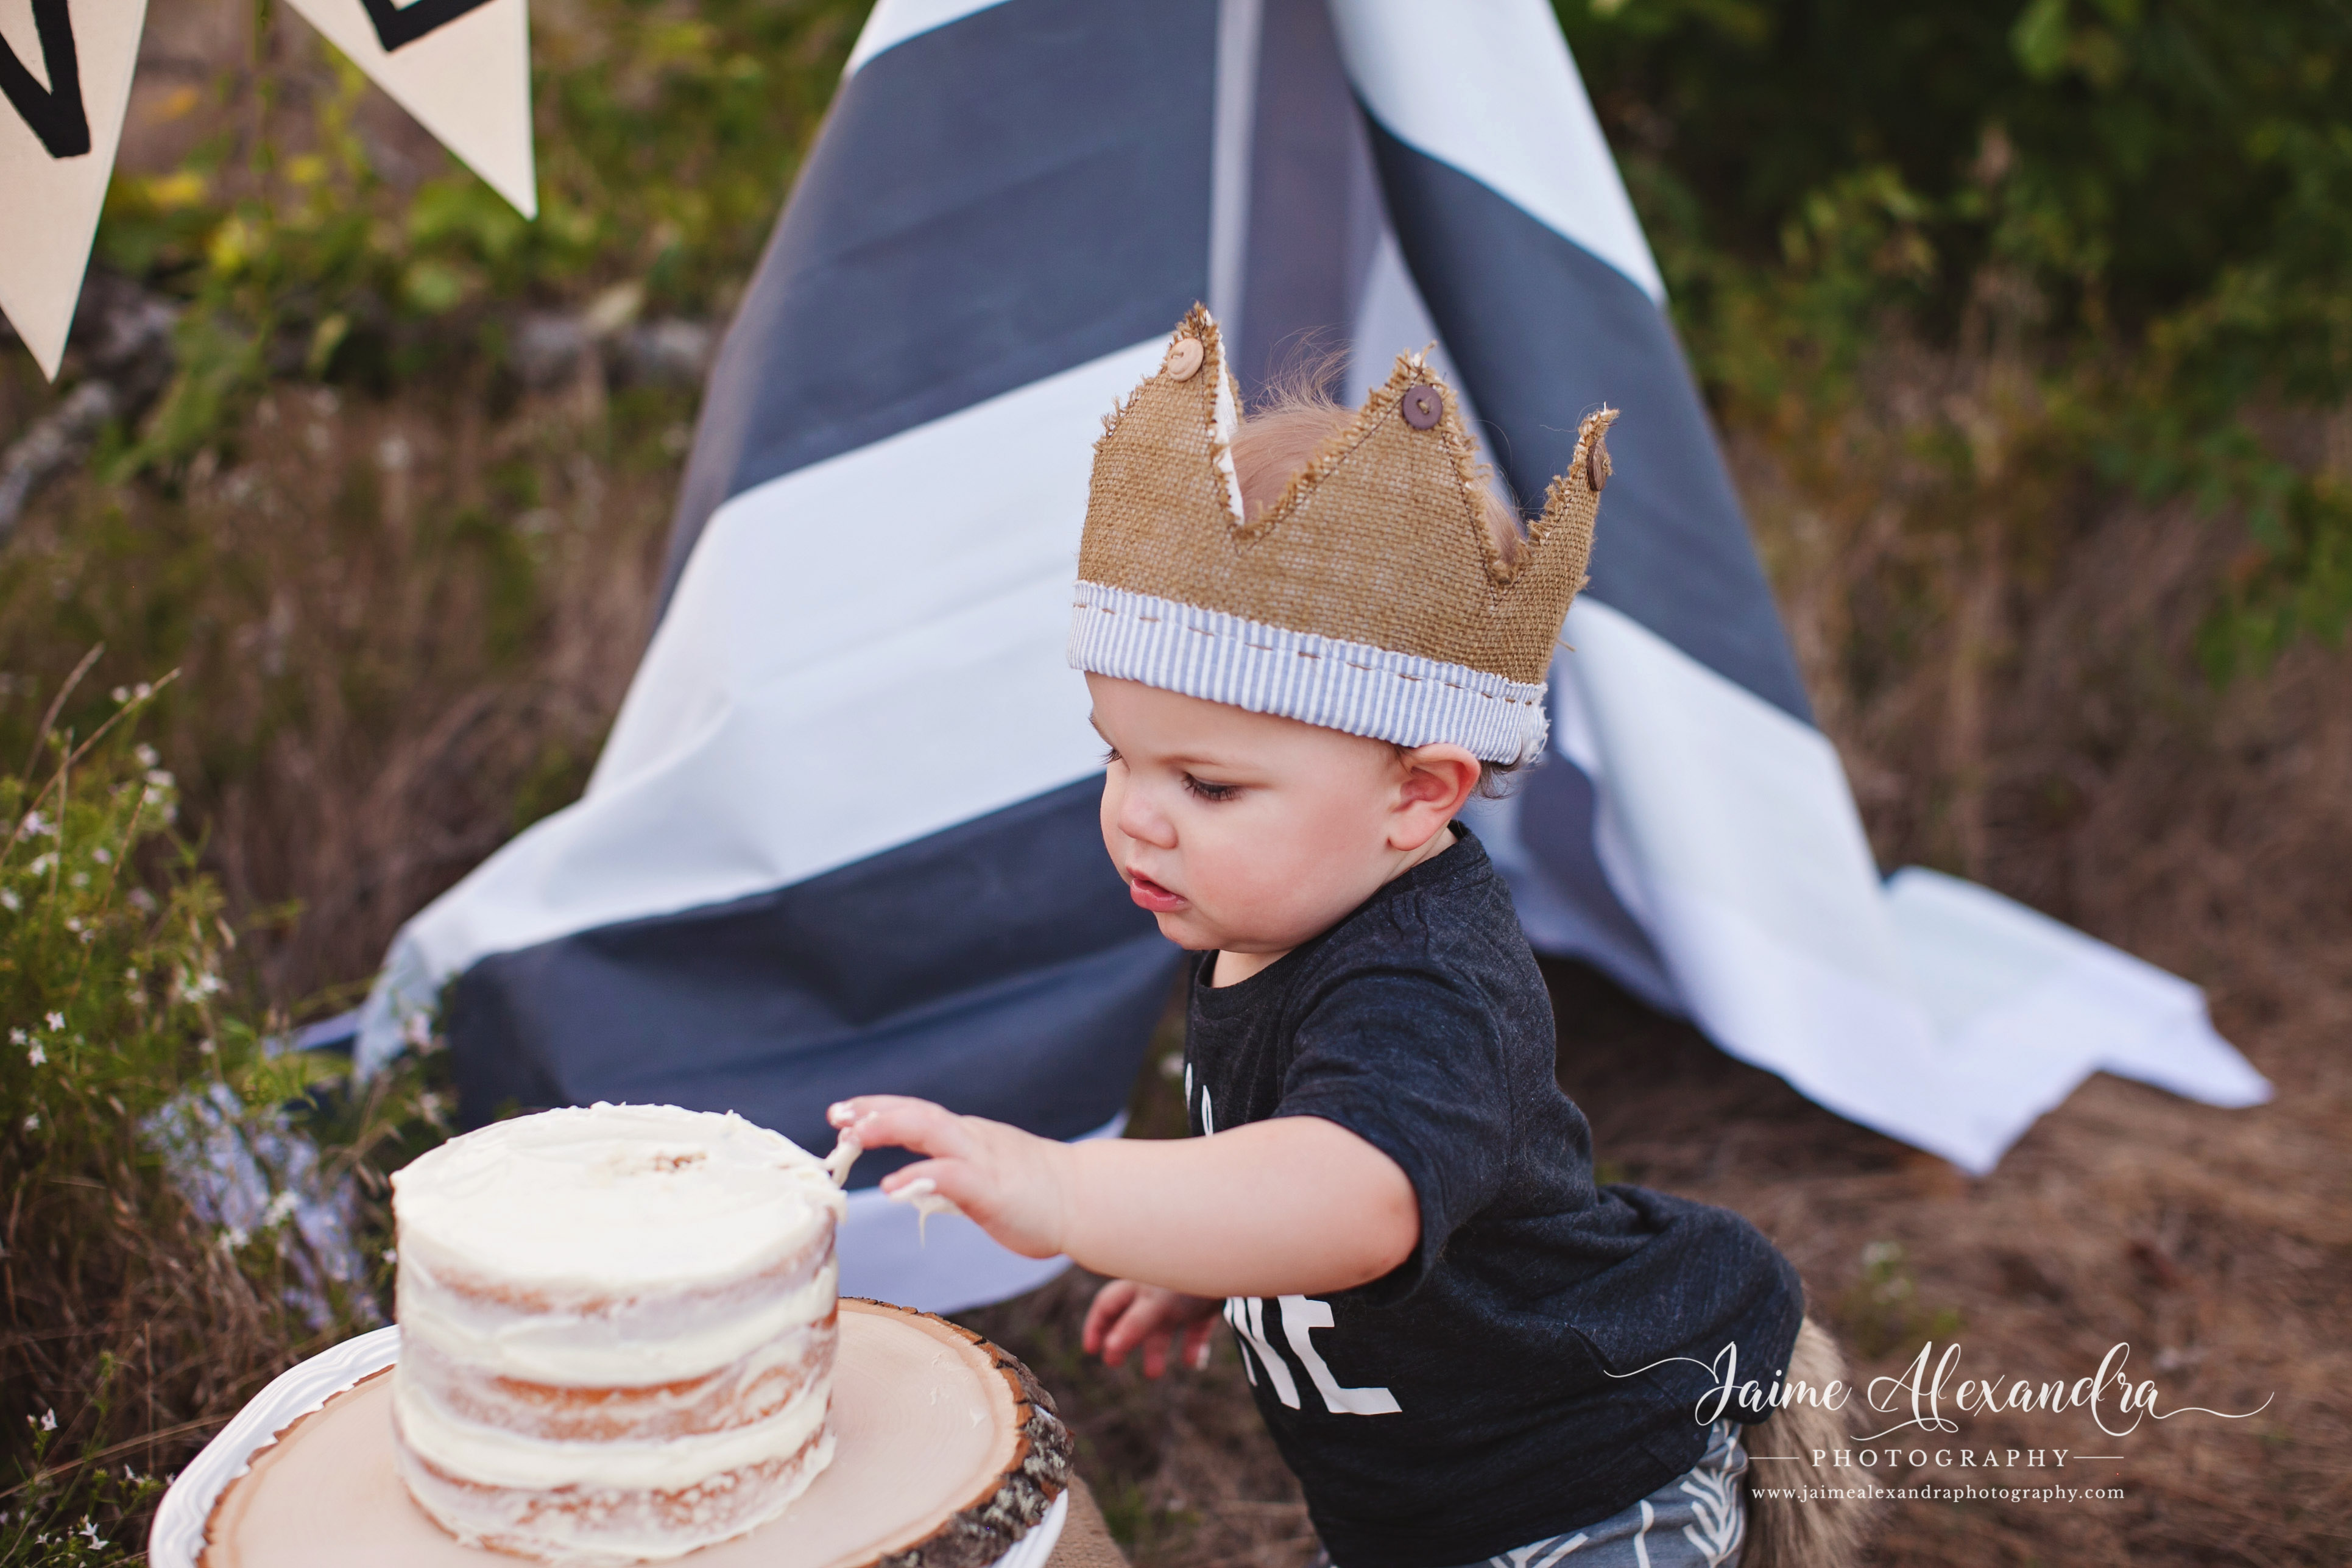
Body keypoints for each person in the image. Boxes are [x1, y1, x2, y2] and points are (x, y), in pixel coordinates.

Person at [831, 309, 1861, 1568]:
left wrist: (1065, 1192)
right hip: (1416, 1513)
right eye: (1119, 754)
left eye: (1207, 786)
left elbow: (1355, 1192)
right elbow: (1291, 1153)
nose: (1136, 815)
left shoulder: (1428, 979)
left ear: (1417, 794)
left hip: (1577, 1487)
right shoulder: (1264, 907)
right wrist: (1216, 1256)